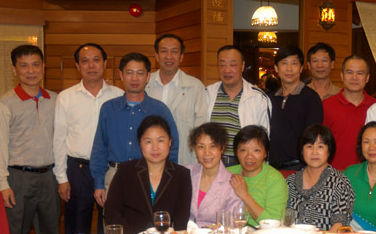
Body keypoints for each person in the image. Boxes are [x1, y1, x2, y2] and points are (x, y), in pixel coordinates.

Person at [0, 45, 60, 234]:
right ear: (14, 70)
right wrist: (3, 184)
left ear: (44, 67)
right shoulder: (4, 104)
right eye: (24, 66)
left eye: (35, 64)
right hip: (17, 179)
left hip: (49, 177)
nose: (31, 71)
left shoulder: (55, 100)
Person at [53, 43, 123, 234]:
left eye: (96, 60)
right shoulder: (66, 97)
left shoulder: (118, 95)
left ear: (105, 63)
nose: (91, 65)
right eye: (85, 61)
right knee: (76, 228)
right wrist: (62, 178)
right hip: (78, 170)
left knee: (109, 226)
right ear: (77, 66)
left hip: (109, 169)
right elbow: (59, 139)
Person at [90, 52, 179, 208]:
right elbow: (100, 148)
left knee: (149, 222)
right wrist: (98, 183)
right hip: (114, 175)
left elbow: (172, 147)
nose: (135, 78)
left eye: (140, 73)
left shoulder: (159, 109)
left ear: (148, 76)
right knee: (114, 222)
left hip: (150, 175)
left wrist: (167, 179)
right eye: (129, 72)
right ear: (121, 75)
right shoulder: (109, 109)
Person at [104, 115, 191, 234]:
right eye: (148, 141)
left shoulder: (182, 175)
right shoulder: (125, 171)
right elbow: (111, 213)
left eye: (160, 140)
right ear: (140, 143)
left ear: (170, 142)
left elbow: (181, 219)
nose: (155, 147)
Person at [205, 45, 271, 166]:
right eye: (222, 65)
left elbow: (264, 139)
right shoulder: (206, 94)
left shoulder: (258, 98)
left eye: (233, 65)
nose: (227, 70)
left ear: (243, 66)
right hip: (212, 164)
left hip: (244, 164)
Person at [147, 33, 207, 165]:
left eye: (174, 51)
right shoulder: (145, 84)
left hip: (184, 161)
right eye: (164, 51)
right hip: (149, 160)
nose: (169, 56)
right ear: (156, 56)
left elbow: (201, 130)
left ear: (181, 57)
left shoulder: (195, 86)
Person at [286, 124, 355, 231]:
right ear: (302, 151)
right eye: (309, 146)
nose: (314, 152)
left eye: (320, 146)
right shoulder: (290, 181)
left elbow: (339, 225)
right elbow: (282, 219)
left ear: (329, 151)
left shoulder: (340, 182)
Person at [268, 45, 324, 170]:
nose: (289, 69)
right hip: (271, 167)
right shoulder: (270, 98)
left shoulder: (311, 98)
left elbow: (313, 137)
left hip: (299, 166)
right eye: (284, 63)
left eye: (294, 63)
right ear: (276, 68)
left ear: (301, 68)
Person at [323, 55, 376, 170]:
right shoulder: (326, 105)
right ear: (342, 76)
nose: (354, 77)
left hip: (368, 174)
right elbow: (321, 143)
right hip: (335, 173)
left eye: (360, 73)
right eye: (349, 72)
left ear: (367, 78)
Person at [227, 125, 288, 226]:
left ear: (265, 153)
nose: (249, 156)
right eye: (243, 150)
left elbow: (273, 223)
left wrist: (244, 195)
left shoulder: (275, 180)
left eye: (256, 150)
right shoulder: (227, 174)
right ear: (236, 152)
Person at [187, 123, 243, 227]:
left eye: (212, 146)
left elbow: (233, 223)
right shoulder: (187, 173)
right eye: (201, 146)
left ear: (222, 148)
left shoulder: (232, 182)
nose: (206, 153)